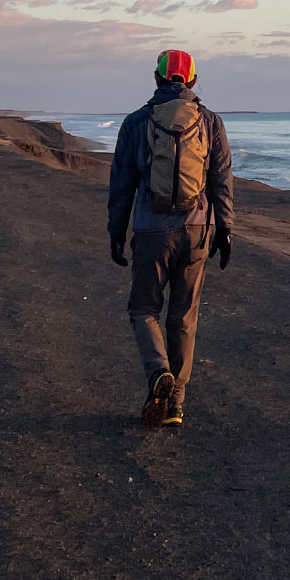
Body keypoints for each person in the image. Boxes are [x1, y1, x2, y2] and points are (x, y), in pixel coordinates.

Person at [107, 48, 234, 427]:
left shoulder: (135, 123)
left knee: (144, 309)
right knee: (183, 317)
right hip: (197, 231)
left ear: (158, 78)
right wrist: (225, 228)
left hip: (150, 231)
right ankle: (175, 404)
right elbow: (221, 179)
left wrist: (116, 231)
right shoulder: (210, 121)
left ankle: (158, 371)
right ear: (193, 81)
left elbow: (122, 184)